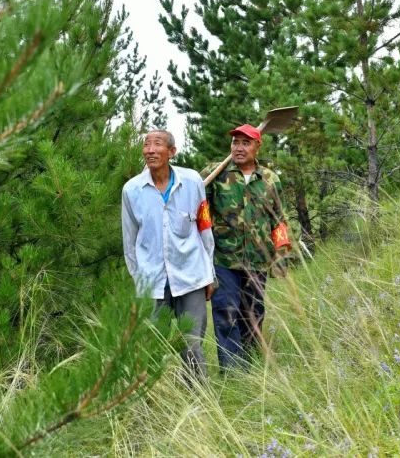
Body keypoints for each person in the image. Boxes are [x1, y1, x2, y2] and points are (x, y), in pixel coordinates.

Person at [121, 130, 215, 379]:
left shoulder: (192, 182)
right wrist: (138, 280)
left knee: (192, 344)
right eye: (146, 145)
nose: (150, 150)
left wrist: (210, 273)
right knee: (153, 347)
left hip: (191, 276)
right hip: (152, 281)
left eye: (157, 144)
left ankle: (197, 400)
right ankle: (155, 404)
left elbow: (204, 228)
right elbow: (129, 242)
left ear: (172, 152)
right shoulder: (132, 190)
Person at [203, 124, 291, 369]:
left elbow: (279, 220)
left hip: (258, 260)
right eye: (235, 143)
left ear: (257, 146)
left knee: (253, 314)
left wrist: (282, 254)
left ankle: (250, 365)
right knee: (225, 312)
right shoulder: (215, 174)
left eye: (245, 143)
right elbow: (200, 213)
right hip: (224, 260)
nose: (239, 148)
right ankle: (232, 372)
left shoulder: (270, 179)